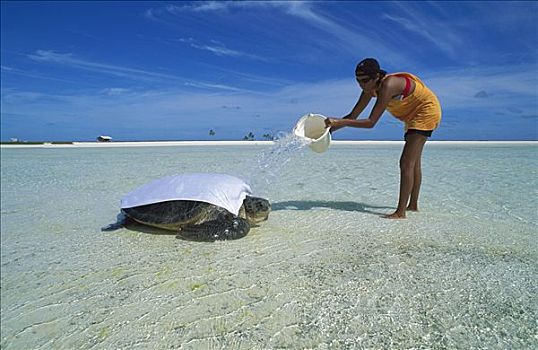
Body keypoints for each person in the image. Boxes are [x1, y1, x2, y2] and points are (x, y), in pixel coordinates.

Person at [326, 58, 441, 219]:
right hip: (411, 115)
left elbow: (371, 122)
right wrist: (328, 131)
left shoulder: (389, 85)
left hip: (426, 111)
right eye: (358, 81)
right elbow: (353, 116)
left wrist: (339, 121)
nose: (362, 85)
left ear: (376, 77)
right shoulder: (368, 90)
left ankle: (400, 213)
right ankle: (413, 205)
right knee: (413, 162)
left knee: (406, 162)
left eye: (365, 81)